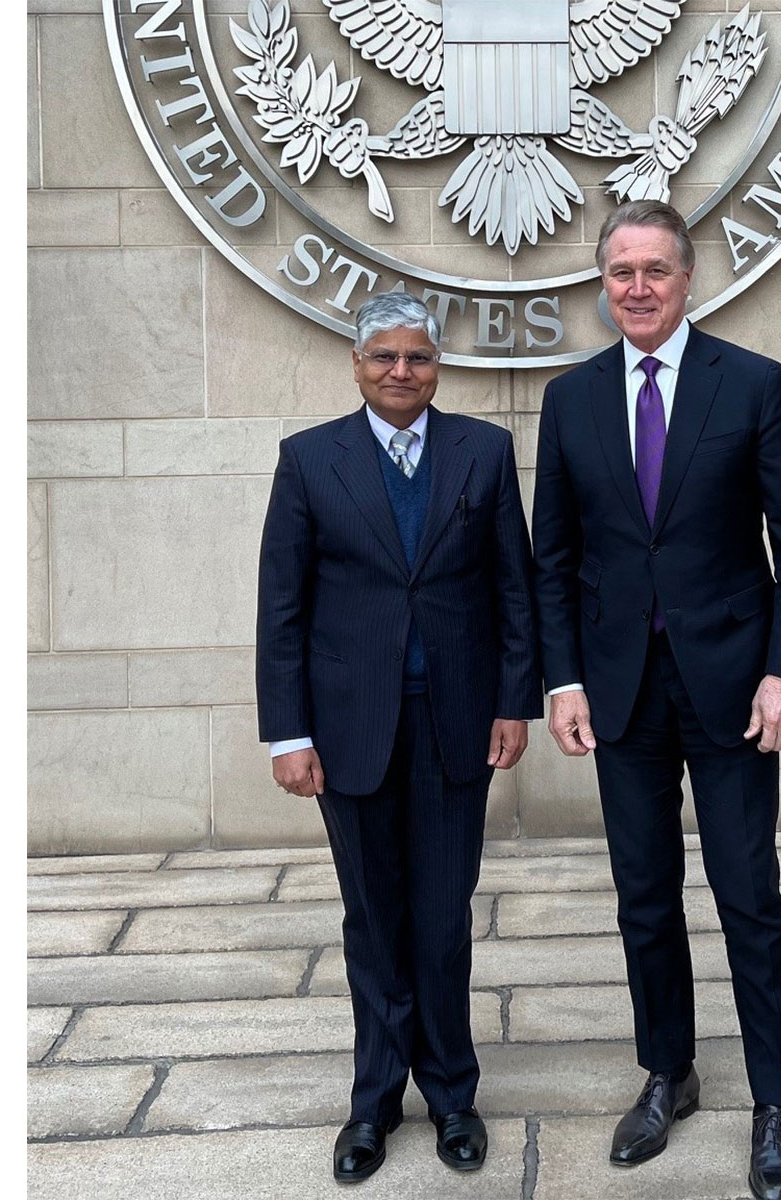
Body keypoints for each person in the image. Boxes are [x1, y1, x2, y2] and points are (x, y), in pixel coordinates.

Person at [531, 200, 781, 1200]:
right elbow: (552, 562)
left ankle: (776, 1103)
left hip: (735, 687)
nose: (638, 286)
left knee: (749, 896)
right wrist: (562, 679)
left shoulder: (750, 386)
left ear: (688, 278)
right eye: (621, 271)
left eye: (656, 268)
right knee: (644, 898)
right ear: (602, 283)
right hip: (620, 694)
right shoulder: (568, 401)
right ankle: (669, 1072)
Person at [256, 291, 540, 1183]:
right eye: (384, 357)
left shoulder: (484, 453)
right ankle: (374, 1102)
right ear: (356, 364)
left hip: (456, 723)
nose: (401, 371)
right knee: (374, 919)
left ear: (437, 366)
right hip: (350, 731)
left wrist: (513, 702)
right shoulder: (308, 461)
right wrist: (286, 734)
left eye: (416, 357)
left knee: (443, 919)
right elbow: (282, 609)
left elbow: (514, 590)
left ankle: (453, 1094)